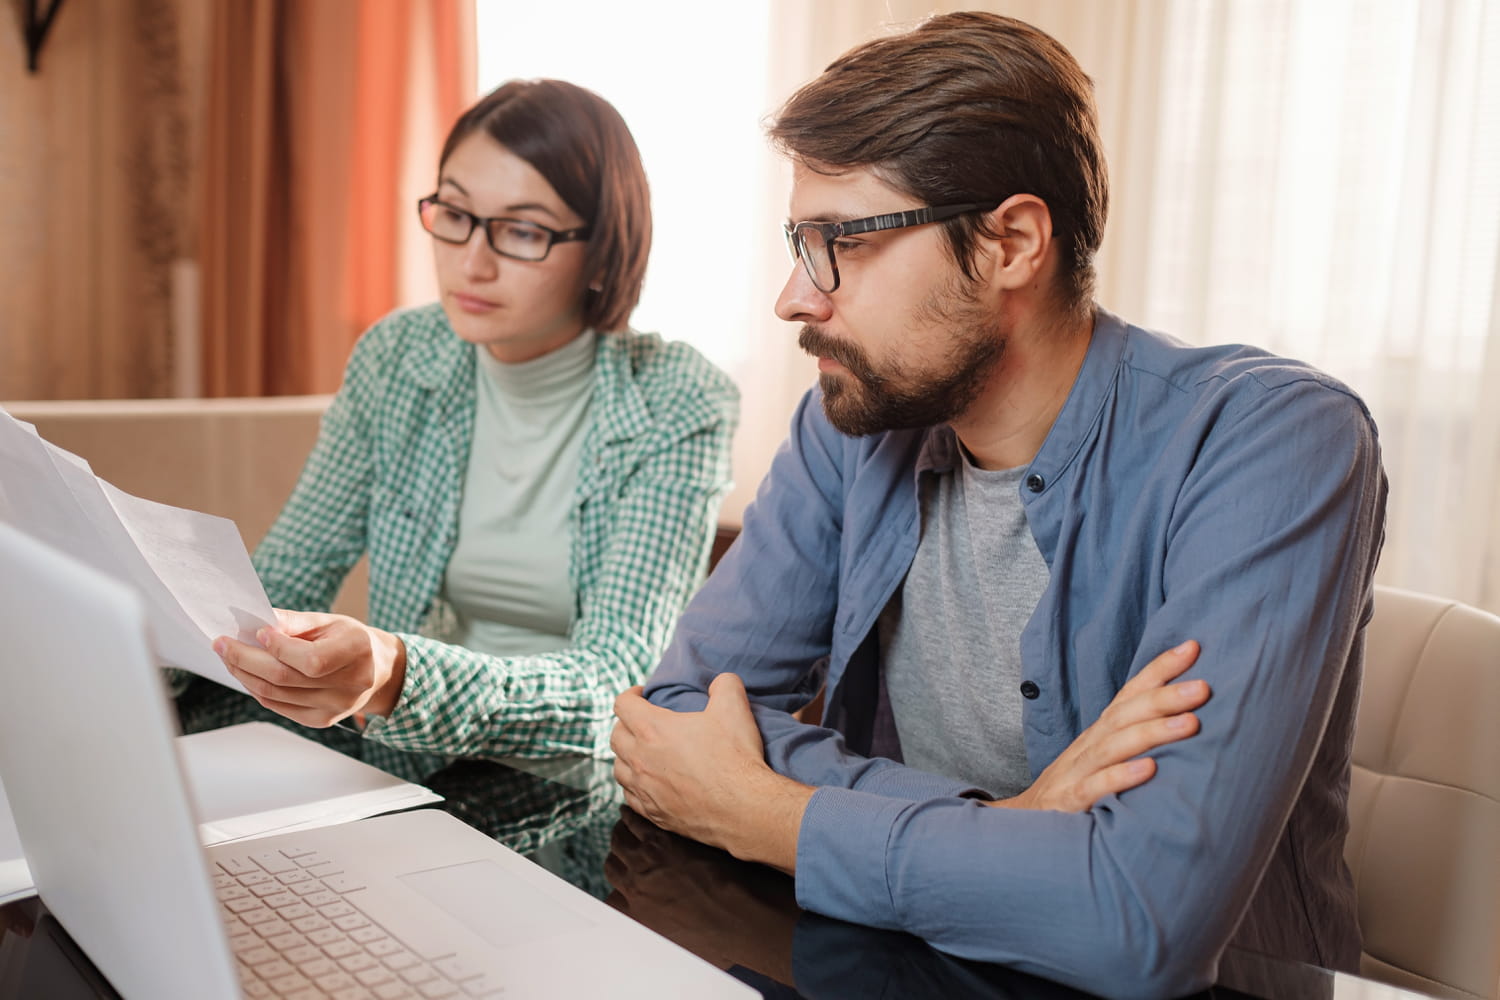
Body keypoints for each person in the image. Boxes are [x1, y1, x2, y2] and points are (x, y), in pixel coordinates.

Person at [610, 12, 1385, 999]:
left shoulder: (1276, 441)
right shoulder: (849, 427)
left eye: (839, 243)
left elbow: (1136, 921)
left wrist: (770, 812)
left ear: (1011, 242)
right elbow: (673, 722)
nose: (794, 299)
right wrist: (1014, 821)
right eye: (799, 243)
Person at [183, 79, 738, 778]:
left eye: (523, 230)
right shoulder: (398, 358)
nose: (471, 261)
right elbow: (286, 574)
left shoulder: (677, 397)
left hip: (573, 789)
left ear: (602, 249)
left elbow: (616, 689)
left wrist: (397, 674)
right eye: (454, 213)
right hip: (404, 759)